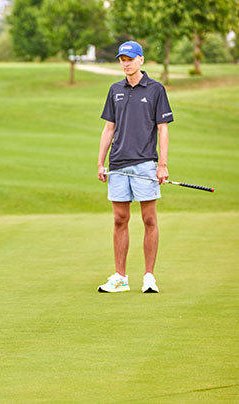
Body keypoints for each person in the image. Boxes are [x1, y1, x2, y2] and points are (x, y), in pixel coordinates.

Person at [96, 41, 173, 293]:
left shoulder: (155, 90)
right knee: (120, 219)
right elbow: (109, 128)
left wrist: (162, 164)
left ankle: (149, 276)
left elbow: (162, 129)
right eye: (122, 59)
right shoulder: (114, 90)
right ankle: (120, 277)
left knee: (149, 219)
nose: (126, 63)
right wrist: (100, 161)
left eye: (130, 58)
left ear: (141, 60)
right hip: (118, 164)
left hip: (145, 164)